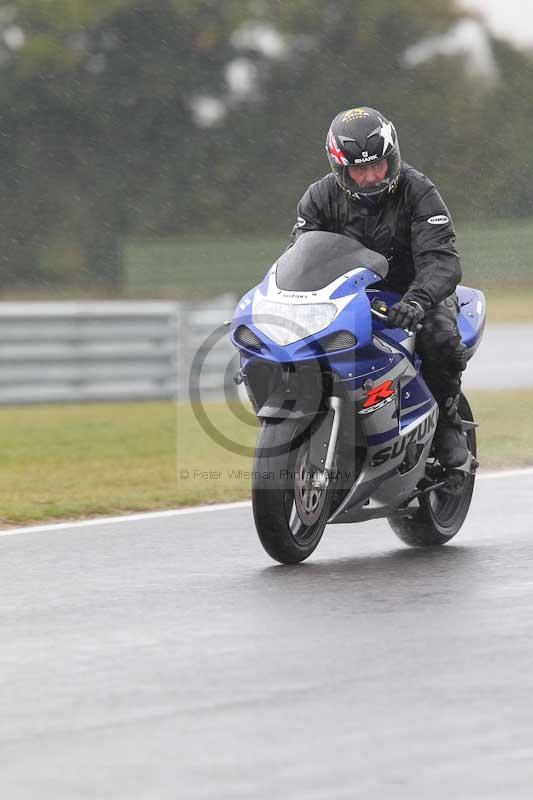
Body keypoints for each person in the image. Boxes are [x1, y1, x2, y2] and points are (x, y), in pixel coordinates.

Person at [289, 106, 468, 467]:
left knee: (440, 340)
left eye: (379, 166)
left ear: (392, 158)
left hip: (414, 293)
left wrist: (417, 301)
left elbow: (441, 258)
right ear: (341, 170)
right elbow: (299, 256)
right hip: (349, 296)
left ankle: (449, 424)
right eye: (360, 170)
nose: (371, 177)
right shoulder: (319, 197)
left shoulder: (419, 191)